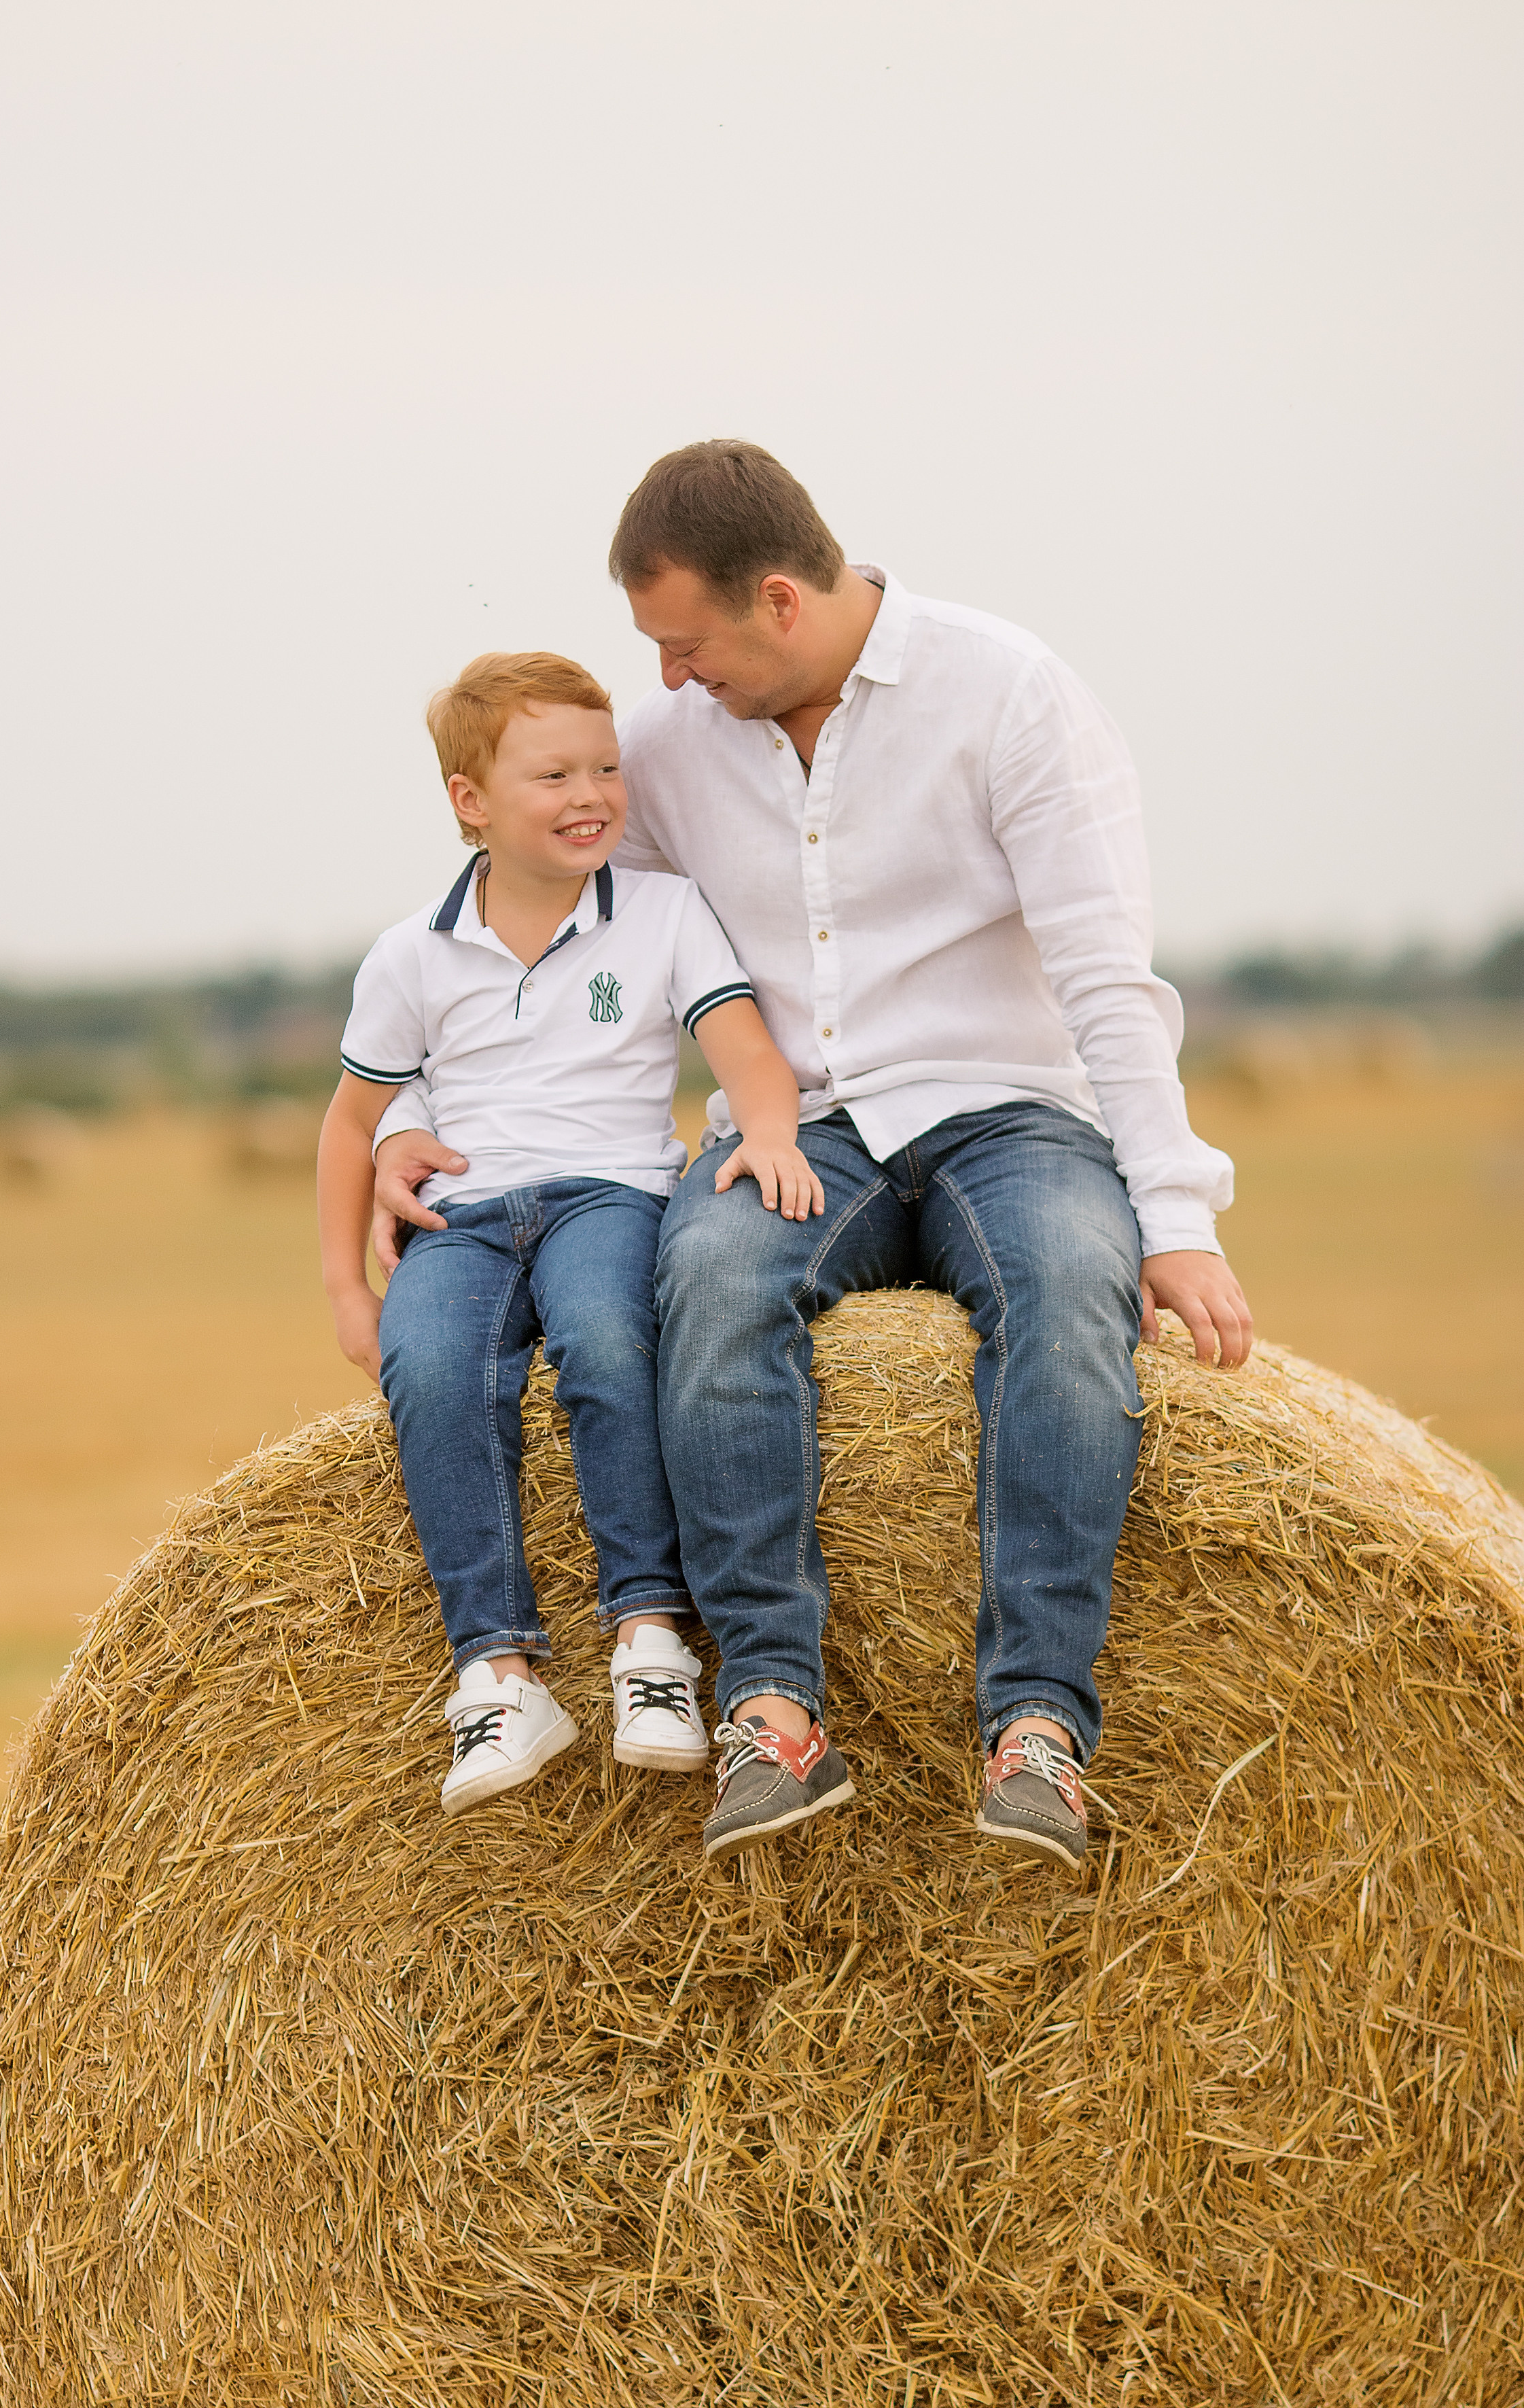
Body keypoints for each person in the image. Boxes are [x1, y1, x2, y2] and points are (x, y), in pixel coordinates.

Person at [371, 444, 1254, 1875]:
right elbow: (526, 920)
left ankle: (1036, 1724)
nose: (666, 678)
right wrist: (405, 1106)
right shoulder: (665, 748)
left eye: (684, 643)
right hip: (798, 1131)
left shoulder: (1008, 694)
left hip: (1006, 1109)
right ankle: (770, 1707)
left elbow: (1106, 976)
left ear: (777, 599)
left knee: (1066, 1292)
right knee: (710, 1285)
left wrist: (1175, 1213)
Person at [317, 648, 842, 1835]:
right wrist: (348, 1290)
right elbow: (349, 1126)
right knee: (431, 1372)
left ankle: (649, 1641)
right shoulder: (411, 954)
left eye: (606, 768)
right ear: (470, 800)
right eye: (553, 775)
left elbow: (747, 1053)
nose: (591, 794)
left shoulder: (661, 912)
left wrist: (768, 1132)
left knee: (609, 1344)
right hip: (463, 1216)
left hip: (610, 1195)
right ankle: (497, 1677)